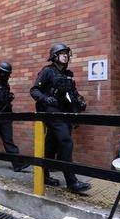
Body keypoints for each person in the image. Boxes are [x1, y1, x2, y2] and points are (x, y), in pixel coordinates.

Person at [30, 43, 91, 194]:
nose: (65, 55)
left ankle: (44, 176)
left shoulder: (67, 75)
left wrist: (80, 100)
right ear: (54, 56)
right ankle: (72, 182)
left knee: (50, 146)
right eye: (61, 53)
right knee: (66, 142)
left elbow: (73, 94)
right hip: (51, 112)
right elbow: (34, 90)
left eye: (66, 53)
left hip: (64, 113)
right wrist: (45, 99)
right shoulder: (47, 72)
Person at [0, 62, 29, 172]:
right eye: (5, 74)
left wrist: (9, 98)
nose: (6, 76)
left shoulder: (6, 85)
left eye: (8, 74)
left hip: (5, 117)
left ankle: (17, 164)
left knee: (8, 140)